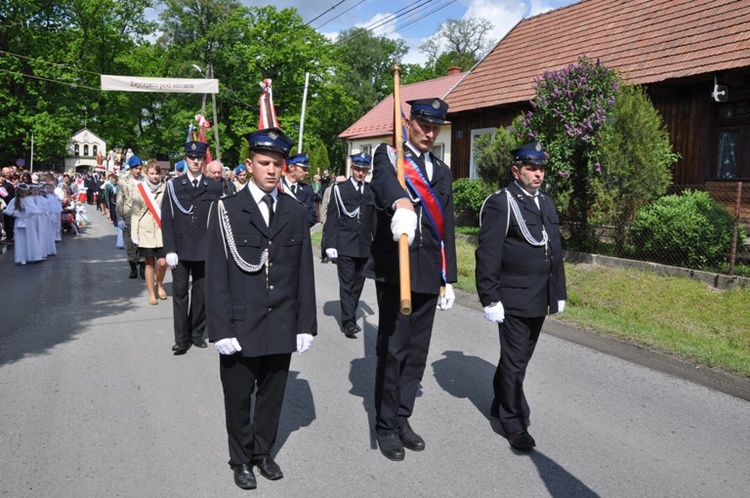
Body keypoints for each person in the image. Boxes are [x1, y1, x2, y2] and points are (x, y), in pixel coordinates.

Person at [205, 127, 316, 491]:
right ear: (250, 164)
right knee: (238, 398)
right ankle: (240, 459)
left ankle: (263, 453)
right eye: (264, 163)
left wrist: (305, 324)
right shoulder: (227, 210)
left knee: (272, 396)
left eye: (277, 164)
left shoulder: (295, 211)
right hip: (240, 322)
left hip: (281, 321)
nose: (271, 170)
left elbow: (304, 274)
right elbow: (217, 274)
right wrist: (219, 329)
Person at [366, 98, 457, 461]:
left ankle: (403, 417)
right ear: (409, 122)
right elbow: (383, 184)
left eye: (436, 127)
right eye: (423, 124)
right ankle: (385, 425)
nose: (430, 133)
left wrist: (448, 277)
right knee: (394, 350)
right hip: (397, 272)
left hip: (428, 271)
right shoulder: (389, 158)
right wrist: (401, 202)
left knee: (417, 353)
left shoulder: (442, 171)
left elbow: (446, 227)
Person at [475, 141, 567, 450]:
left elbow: (554, 251)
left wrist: (559, 291)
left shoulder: (547, 203)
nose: (538, 173)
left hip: (539, 296)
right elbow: (487, 253)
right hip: (512, 296)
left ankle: (500, 399)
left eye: (541, 168)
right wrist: (489, 297)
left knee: (520, 357)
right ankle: (512, 420)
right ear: (517, 170)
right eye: (532, 168)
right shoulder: (502, 202)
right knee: (515, 361)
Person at [161, 140, 222, 355]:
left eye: (198, 158)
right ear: (186, 159)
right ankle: (181, 339)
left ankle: (196, 333)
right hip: (181, 249)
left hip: (205, 249)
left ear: (203, 160)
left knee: (201, 294)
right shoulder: (173, 186)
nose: (195, 161)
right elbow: (167, 220)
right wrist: (169, 250)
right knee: (179, 295)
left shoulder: (214, 186)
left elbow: (219, 220)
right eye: (191, 157)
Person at [323, 153, 376, 338]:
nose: (361, 173)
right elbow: (332, 218)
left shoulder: (370, 191)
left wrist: (377, 245)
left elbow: (374, 221)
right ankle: (348, 322)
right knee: (346, 284)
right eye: (358, 169)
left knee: (357, 284)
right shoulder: (340, 189)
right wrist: (330, 244)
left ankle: (349, 315)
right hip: (344, 244)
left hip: (364, 246)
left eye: (364, 170)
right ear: (352, 168)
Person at [131, 161, 168, 305]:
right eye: (152, 173)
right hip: (145, 229)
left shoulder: (165, 189)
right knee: (149, 263)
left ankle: (159, 284)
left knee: (163, 262)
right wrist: (134, 233)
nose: (155, 176)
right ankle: (151, 293)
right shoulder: (140, 189)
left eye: (157, 173)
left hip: (161, 230)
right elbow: (135, 213)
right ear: (147, 174)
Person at [116, 156, 145, 279]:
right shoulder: (123, 181)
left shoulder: (145, 180)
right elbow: (119, 201)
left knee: (143, 243)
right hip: (128, 216)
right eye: (136, 168)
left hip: (142, 215)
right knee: (130, 243)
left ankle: (143, 267)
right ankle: (133, 267)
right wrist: (119, 218)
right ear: (131, 168)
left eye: (140, 168)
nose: (138, 171)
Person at [281, 153, 317, 228]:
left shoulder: (307, 190)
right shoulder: (277, 186)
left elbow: (312, 217)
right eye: (304, 169)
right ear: (291, 167)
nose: (307, 172)